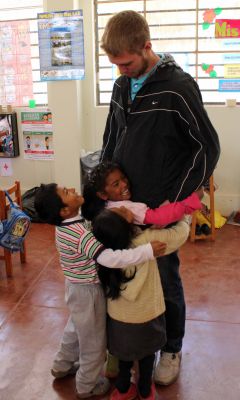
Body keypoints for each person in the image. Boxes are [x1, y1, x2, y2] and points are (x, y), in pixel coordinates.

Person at [100, 10, 220, 385]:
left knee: (165, 280)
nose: (121, 70)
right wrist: (101, 189)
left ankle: (171, 347)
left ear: (147, 47)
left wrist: (174, 201)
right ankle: (125, 349)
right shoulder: (122, 86)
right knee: (123, 276)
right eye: (115, 64)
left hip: (158, 209)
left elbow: (205, 148)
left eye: (127, 63)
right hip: (122, 205)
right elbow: (111, 137)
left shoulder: (177, 87)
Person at [34, 183, 165, 398]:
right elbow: (110, 258)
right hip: (89, 293)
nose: (70, 188)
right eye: (66, 192)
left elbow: (88, 227)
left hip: (74, 288)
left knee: (75, 329)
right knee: (93, 343)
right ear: (64, 210)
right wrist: (146, 251)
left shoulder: (65, 226)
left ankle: (61, 365)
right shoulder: (79, 234)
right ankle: (87, 385)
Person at [92, 208, 190, 400]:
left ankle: (122, 389)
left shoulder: (103, 253)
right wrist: (185, 218)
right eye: (120, 212)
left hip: (119, 320)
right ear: (124, 227)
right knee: (147, 358)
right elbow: (179, 236)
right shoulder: (146, 242)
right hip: (148, 316)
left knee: (124, 358)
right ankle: (145, 390)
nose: (125, 207)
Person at [82, 160, 203, 225]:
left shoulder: (108, 206)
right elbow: (158, 217)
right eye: (116, 184)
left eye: (124, 178)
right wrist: (191, 200)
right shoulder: (126, 208)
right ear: (103, 194)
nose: (124, 184)